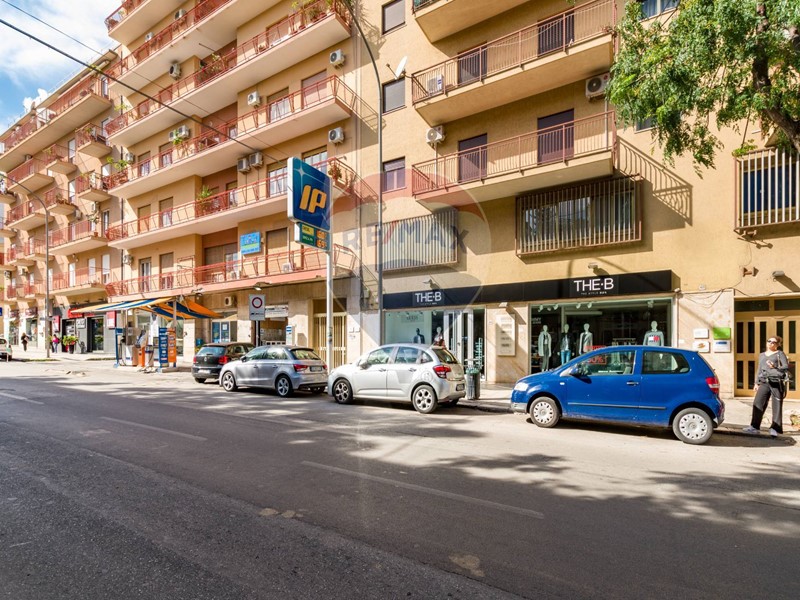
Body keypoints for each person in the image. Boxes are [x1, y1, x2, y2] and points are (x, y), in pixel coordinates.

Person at [743, 336, 789, 438]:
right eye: (769, 341)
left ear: (777, 345)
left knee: (776, 405)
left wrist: (774, 366)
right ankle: (754, 426)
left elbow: (785, 366)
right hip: (764, 381)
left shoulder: (780, 354)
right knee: (758, 403)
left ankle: (775, 428)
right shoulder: (762, 355)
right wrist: (756, 383)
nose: (771, 343)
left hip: (776, 382)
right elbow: (759, 369)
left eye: (774, 342)